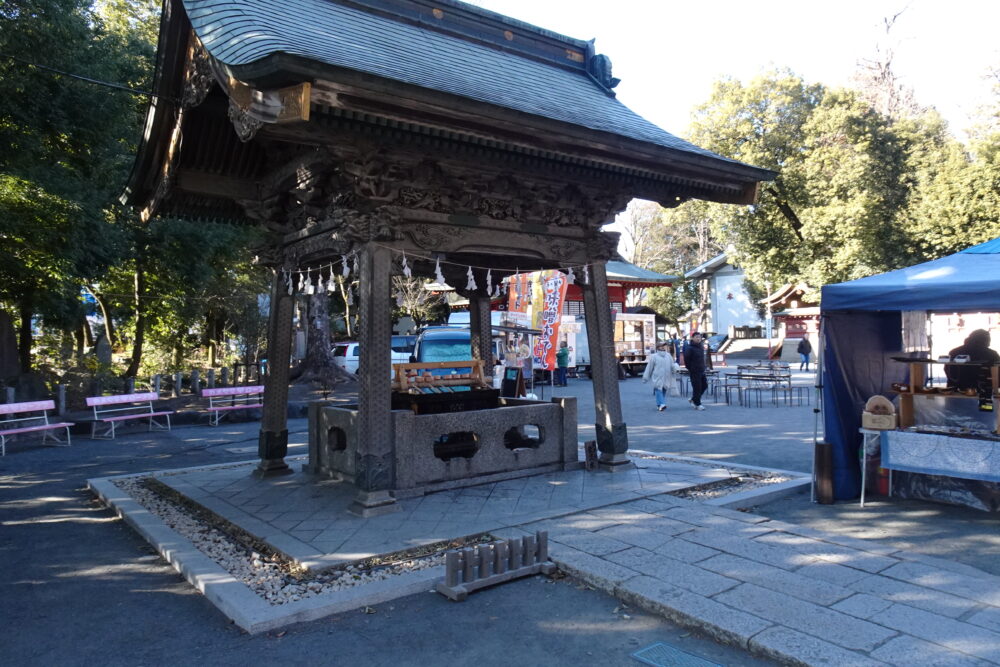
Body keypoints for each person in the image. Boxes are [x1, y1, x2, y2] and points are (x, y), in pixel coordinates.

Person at [945, 329, 1000, 398]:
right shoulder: (991, 354)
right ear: (985, 340)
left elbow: (948, 371)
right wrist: (995, 391)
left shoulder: (954, 351)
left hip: (955, 391)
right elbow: (997, 374)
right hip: (983, 391)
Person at [642, 342, 676, 411]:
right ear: (657, 347)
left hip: (667, 377)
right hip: (657, 377)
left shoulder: (668, 355)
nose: (663, 347)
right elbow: (649, 367)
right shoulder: (654, 356)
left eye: (664, 345)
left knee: (663, 390)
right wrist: (645, 377)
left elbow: (672, 364)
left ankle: (659, 405)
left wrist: (675, 370)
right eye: (661, 346)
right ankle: (662, 404)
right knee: (658, 390)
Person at [683, 331, 709, 410]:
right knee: (697, 387)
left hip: (701, 370)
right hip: (694, 371)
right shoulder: (690, 348)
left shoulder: (700, 347)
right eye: (696, 337)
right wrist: (690, 368)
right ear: (692, 338)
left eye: (699, 337)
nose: (698, 338)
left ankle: (694, 399)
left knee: (704, 385)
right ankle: (698, 404)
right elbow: (686, 360)